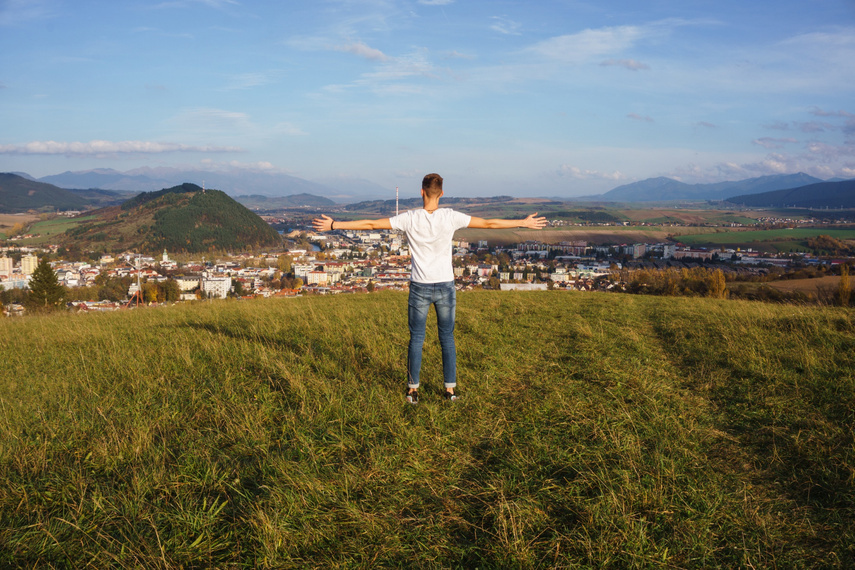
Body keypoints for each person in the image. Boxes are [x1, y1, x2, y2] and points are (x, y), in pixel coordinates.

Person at [312, 173, 547, 404]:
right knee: (447, 338)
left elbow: (372, 223)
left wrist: (334, 224)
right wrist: (523, 222)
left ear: (421, 192)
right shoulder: (450, 217)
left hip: (419, 286)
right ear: (442, 193)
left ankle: (412, 390)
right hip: (445, 285)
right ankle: (450, 390)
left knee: (416, 339)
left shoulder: (409, 218)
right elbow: (488, 223)